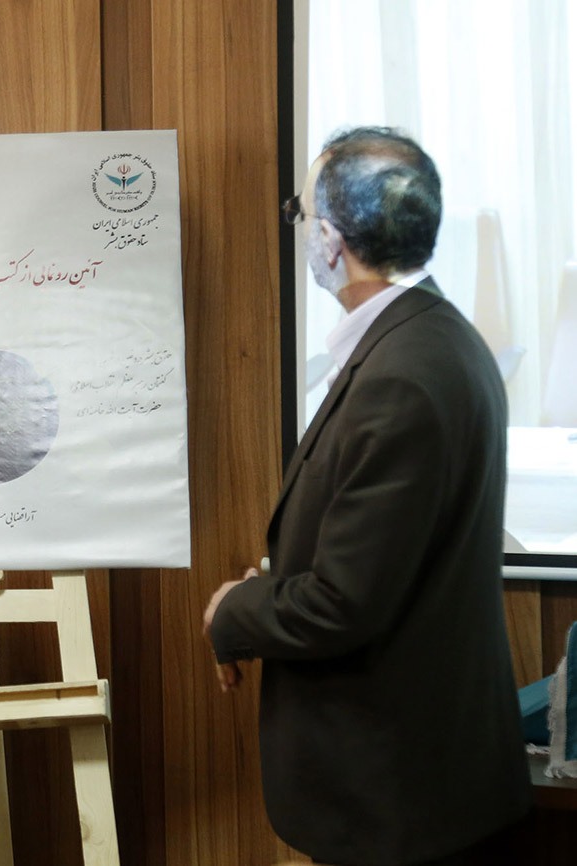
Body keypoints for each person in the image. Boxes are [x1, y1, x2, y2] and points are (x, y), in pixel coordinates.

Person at [203, 127, 532, 866]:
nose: (300, 231)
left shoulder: (400, 375)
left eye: (298, 213)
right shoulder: (435, 338)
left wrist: (234, 610)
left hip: (400, 796)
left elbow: (343, 604)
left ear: (328, 240)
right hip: (421, 783)